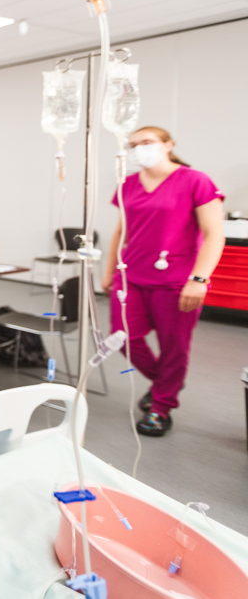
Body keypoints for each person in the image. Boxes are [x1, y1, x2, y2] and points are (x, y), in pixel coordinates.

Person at [102, 126, 225, 437]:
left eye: (147, 142)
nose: (139, 148)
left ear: (169, 144)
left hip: (176, 281)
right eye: (133, 145)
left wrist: (199, 279)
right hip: (131, 276)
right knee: (123, 337)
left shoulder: (195, 181)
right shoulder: (128, 184)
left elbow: (214, 234)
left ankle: (161, 407)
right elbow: (121, 232)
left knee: (174, 347)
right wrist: (108, 271)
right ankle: (164, 385)